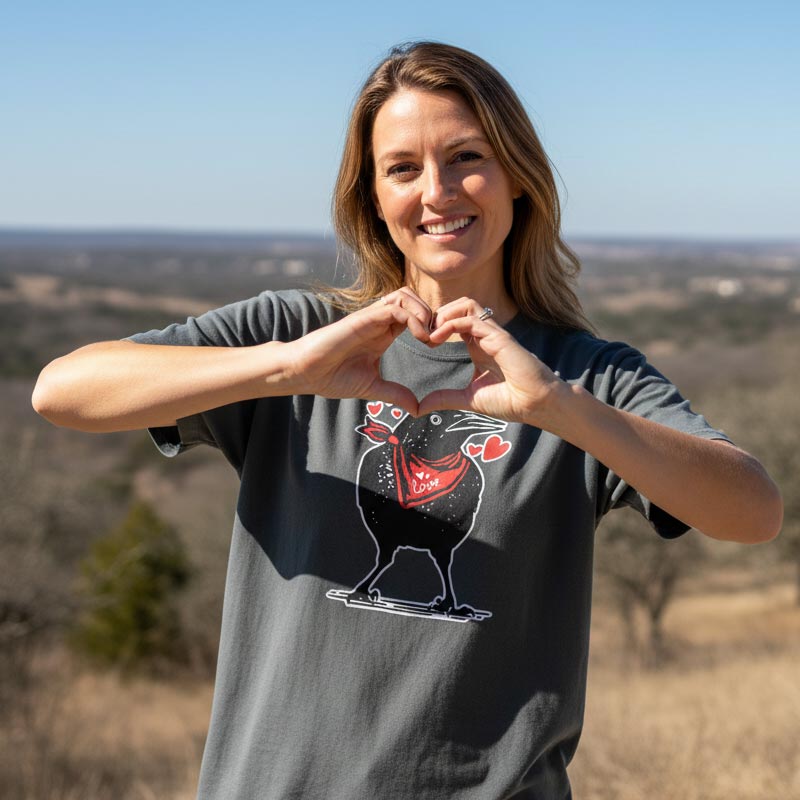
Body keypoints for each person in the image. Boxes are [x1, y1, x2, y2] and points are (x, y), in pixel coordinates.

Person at [32, 41, 782, 800]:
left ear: (518, 176)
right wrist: (285, 368)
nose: (437, 191)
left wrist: (560, 407)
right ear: (373, 198)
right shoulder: (297, 334)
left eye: (466, 157)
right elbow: (63, 390)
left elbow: (752, 512)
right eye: (402, 168)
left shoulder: (584, 376)